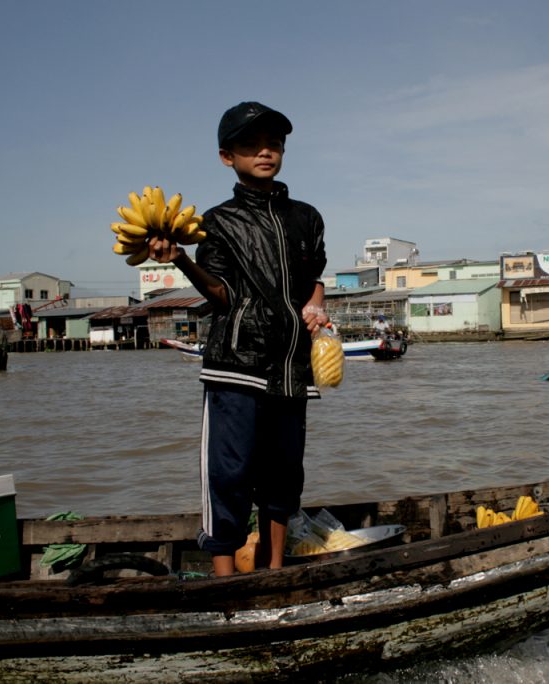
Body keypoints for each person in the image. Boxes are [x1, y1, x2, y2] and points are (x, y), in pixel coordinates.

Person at [148, 102, 328, 576]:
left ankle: (273, 569)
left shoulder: (307, 218)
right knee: (229, 474)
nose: (264, 152)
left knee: (284, 475)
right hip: (235, 364)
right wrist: (182, 260)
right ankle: (225, 578)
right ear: (227, 157)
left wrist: (318, 302)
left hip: (291, 364)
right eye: (251, 145)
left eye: (273, 144)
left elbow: (314, 277)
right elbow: (221, 295)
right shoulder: (216, 221)